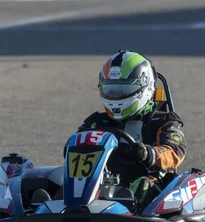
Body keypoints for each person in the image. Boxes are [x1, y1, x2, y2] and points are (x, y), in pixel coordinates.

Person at [75, 50, 188, 211]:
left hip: (147, 180)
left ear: (145, 87)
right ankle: (50, 210)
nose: (116, 96)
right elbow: (73, 148)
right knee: (60, 179)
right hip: (99, 181)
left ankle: (132, 220)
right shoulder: (96, 121)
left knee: (143, 186)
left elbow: (175, 151)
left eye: (122, 90)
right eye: (112, 90)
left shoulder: (164, 120)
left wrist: (149, 154)